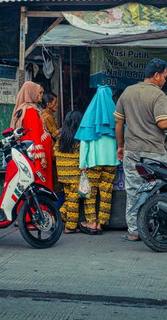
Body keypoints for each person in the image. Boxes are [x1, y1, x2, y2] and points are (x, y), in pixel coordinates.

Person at [115, 58, 167, 242]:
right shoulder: (158, 95)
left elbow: (118, 121)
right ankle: (160, 227)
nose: (165, 79)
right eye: (164, 75)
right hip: (153, 150)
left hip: (132, 150)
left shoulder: (127, 92)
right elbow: (164, 123)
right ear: (156, 75)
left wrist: (120, 146)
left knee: (134, 190)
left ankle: (135, 231)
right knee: (159, 190)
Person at [76, 85, 119, 235]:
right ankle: (101, 223)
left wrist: (82, 164)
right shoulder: (116, 117)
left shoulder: (90, 116)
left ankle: (91, 222)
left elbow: (85, 143)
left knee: (90, 193)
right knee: (106, 192)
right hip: (112, 162)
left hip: (93, 162)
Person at [11, 81, 53, 190]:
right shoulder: (30, 111)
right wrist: (42, 157)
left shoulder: (24, 109)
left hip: (30, 152)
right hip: (37, 156)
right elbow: (34, 135)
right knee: (40, 182)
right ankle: (40, 206)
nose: (41, 96)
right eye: (39, 93)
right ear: (31, 93)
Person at [53, 111, 83, 234]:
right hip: (74, 174)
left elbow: (54, 152)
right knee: (73, 200)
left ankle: (56, 218)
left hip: (63, 174)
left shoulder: (60, 138)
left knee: (69, 198)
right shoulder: (79, 139)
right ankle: (69, 227)